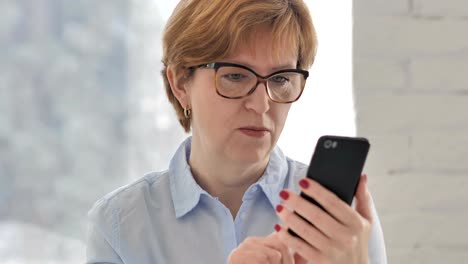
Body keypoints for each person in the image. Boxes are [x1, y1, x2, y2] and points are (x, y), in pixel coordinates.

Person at [86, 0, 387, 263]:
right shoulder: (119, 225)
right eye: (234, 76)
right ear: (180, 83)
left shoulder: (340, 219)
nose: (261, 104)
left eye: (281, 79)